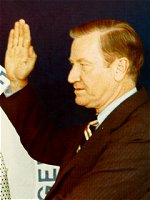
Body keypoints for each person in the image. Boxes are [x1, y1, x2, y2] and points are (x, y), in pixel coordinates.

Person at [1, 19, 150, 199]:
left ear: (120, 68)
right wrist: (17, 81)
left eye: (84, 65)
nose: (71, 77)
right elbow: (44, 145)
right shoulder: (105, 124)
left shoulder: (141, 133)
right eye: (73, 65)